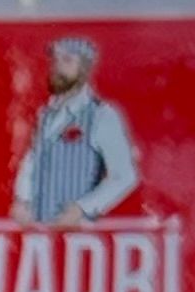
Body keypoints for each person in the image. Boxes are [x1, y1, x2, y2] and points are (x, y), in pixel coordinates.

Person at [12, 36, 139, 224]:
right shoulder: (46, 115)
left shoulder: (101, 115)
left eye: (67, 60)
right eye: (56, 59)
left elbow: (125, 175)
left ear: (85, 68)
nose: (58, 66)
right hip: (40, 233)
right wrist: (22, 200)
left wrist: (83, 208)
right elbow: (32, 160)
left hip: (80, 237)